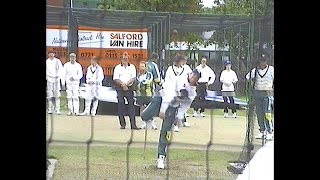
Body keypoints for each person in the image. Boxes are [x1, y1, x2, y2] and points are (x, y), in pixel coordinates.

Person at [156, 69, 201, 169]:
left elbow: (185, 106)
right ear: (190, 74)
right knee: (145, 115)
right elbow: (168, 95)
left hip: (172, 107)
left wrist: (178, 117)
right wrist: (162, 109)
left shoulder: (192, 92)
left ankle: (161, 156)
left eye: (195, 79)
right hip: (160, 98)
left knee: (166, 131)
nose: (193, 79)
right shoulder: (179, 79)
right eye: (193, 76)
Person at [245, 54, 274, 140]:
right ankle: (262, 130)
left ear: (266, 61)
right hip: (258, 93)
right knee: (259, 113)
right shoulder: (255, 70)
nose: (262, 63)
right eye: (261, 61)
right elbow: (247, 77)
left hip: (267, 94)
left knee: (267, 113)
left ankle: (270, 131)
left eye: (264, 61)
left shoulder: (271, 69)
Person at [113, 53, 140, 130]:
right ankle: (122, 124)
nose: (125, 60)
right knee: (121, 104)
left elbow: (133, 78)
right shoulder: (117, 67)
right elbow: (116, 78)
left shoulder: (132, 67)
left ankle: (133, 125)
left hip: (129, 87)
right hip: (120, 87)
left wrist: (126, 84)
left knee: (131, 105)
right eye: (124, 58)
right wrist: (123, 85)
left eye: (126, 58)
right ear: (121, 59)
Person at [136, 61, 157, 130]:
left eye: (143, 66)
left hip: (149, 94)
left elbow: (148, 81)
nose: (141, 68)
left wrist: (141, 83)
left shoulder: (149, 74)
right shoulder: (138, 75)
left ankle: (153, 123)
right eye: (140, 66)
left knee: (151, 108)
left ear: (146, 67)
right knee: (142, 108)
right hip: (140, 95)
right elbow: (136, 82)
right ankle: (144, 123)